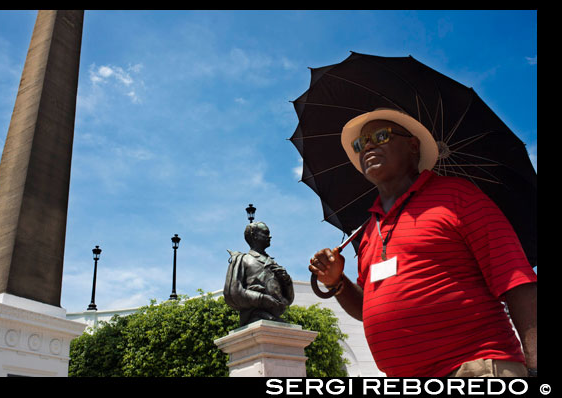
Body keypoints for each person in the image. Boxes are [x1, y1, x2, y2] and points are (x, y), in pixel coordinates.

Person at [309, 108, 537, 377]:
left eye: (381, 136)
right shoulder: (370, 230)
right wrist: (336, 282)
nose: (368, 145)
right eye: (361, 143)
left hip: (476, 369)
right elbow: (366, 309)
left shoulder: (458, 197)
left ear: (412, 145)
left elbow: (516, 281)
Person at [224, 222, 294, 326]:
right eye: (265, 233)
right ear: (254, 235)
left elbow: (288, 299)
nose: (269, 236)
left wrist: (287, 281)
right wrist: (262, 298)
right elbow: (233, 292)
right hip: (253, 316)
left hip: (274, 315)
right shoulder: (242, 259)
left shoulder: (274, 264)